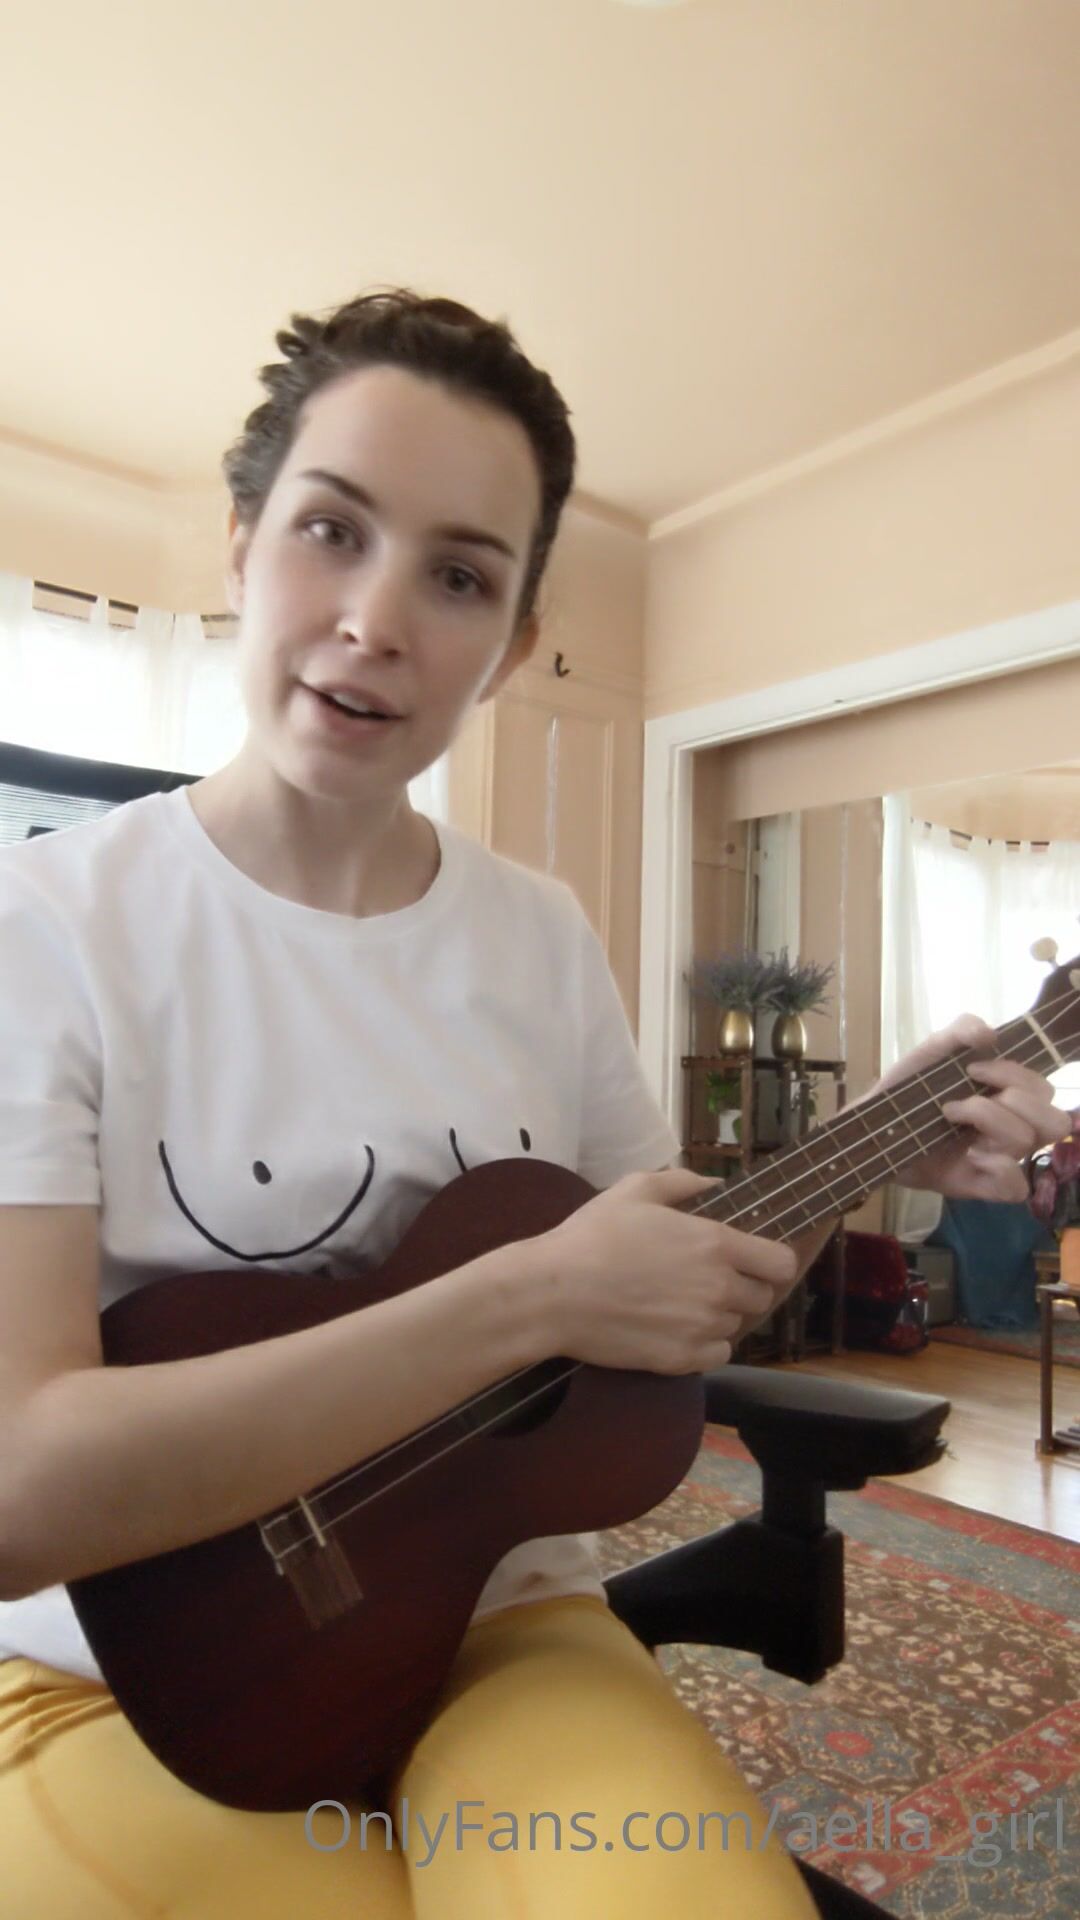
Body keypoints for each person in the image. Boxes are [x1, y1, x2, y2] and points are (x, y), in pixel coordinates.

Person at [0, 289, 1067, 1920]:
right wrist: (526, 1297)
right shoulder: (45, 930)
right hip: (103, 1667)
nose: (376, 620)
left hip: (501, 1628)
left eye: (458, 577)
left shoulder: (538, 937)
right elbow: (19, 1493)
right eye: (331, 531)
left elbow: (659, 1288)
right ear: (241, 546)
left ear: (509, 645)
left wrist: (875, 1144)